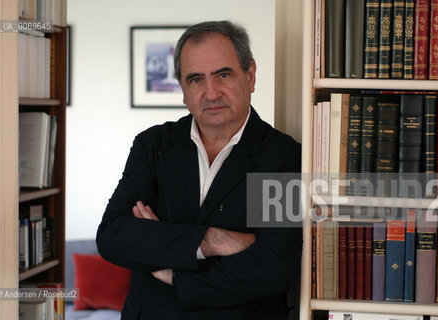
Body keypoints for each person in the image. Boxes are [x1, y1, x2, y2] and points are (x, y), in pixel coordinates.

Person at [96, 20, 302, 320]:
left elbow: (274, 268)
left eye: (223, 74)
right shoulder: (152, 146)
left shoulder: (283, 157)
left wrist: (171, 270)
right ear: (182, 89)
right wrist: (211, 240)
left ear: (250, 76)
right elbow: (113, 237)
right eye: (195, 79)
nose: (211, 92)